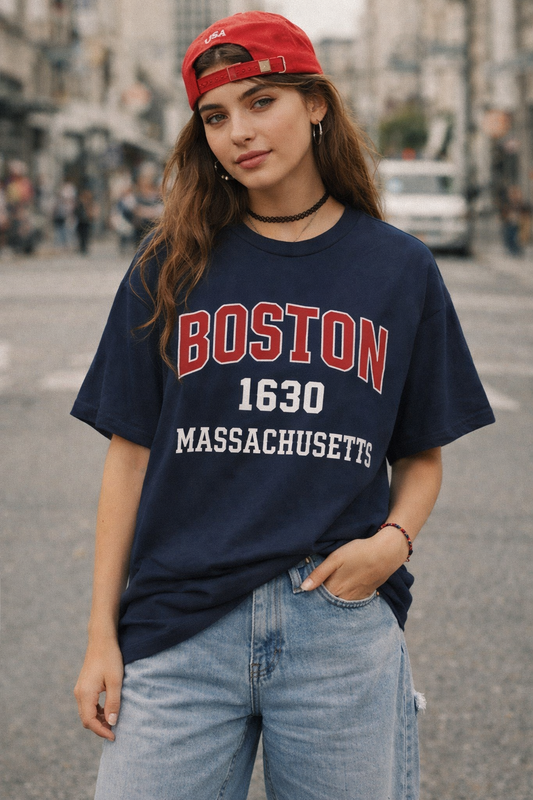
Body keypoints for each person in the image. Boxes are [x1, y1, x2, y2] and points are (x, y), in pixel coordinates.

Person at [71, 12, 495, 800]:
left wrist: (391, 545)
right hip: (178, 627)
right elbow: (127, 459)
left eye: (261, 100)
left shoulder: (397, 269)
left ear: (315, 104)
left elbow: (421, 454)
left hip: (334, 623)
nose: (239, 131)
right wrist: (102, 637)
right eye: (216, 115)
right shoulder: (169, 263)